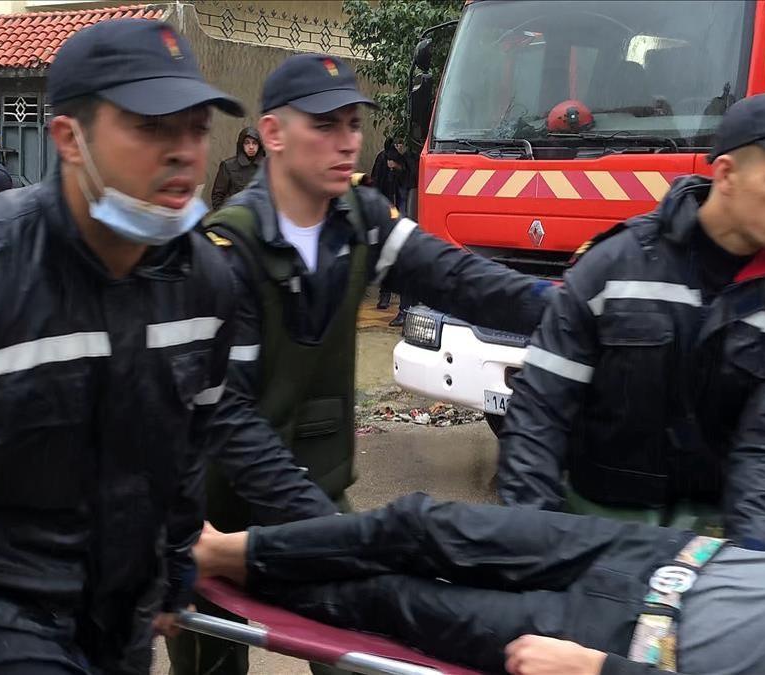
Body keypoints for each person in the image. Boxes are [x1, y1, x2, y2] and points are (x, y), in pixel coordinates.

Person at [0, 19, 336, 674]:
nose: (184, 150)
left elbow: (185, 449)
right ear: (70, 137)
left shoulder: (203, 283)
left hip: (111, 591)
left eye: (195, 126)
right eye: (152, 127)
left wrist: (175, 561)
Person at [166, 53, 556, 675]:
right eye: (324, 125)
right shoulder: (227, 249)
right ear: (271, 134)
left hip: (315, 483)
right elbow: (231, 420)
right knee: (212, 661)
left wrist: (560, 305)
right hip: (219, 509)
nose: (347, 142)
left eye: (352, 123)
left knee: (359, 655)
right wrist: (330, 533)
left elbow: (455, 276)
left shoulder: (359, 218)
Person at [496, 93, 765, 552]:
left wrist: (743, 573)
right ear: (726, 175)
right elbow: (539, 414)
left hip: (711, 549)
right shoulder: (615, 265)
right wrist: (533, 551)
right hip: (593, 535)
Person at [193, 486, 765, 675]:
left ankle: (206, 588)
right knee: (424, 523)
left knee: (394, 605)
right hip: (663, 557)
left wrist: (599, 673)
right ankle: (223, 552)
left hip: (628, 647)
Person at [372, 138, 415, 325]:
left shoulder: (412, 166)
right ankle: (386, 295)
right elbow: (376, 187)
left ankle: (406, 310)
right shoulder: (383, 161)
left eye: (401, 144)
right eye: (396, 144)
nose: (399, 146)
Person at [211, 127, 263, 209]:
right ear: (241, 145)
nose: (251, 147)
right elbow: (217, 197)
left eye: (254, 143)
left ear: (259, 145)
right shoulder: (228, 166)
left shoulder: (267, 166)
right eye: (247, 143)